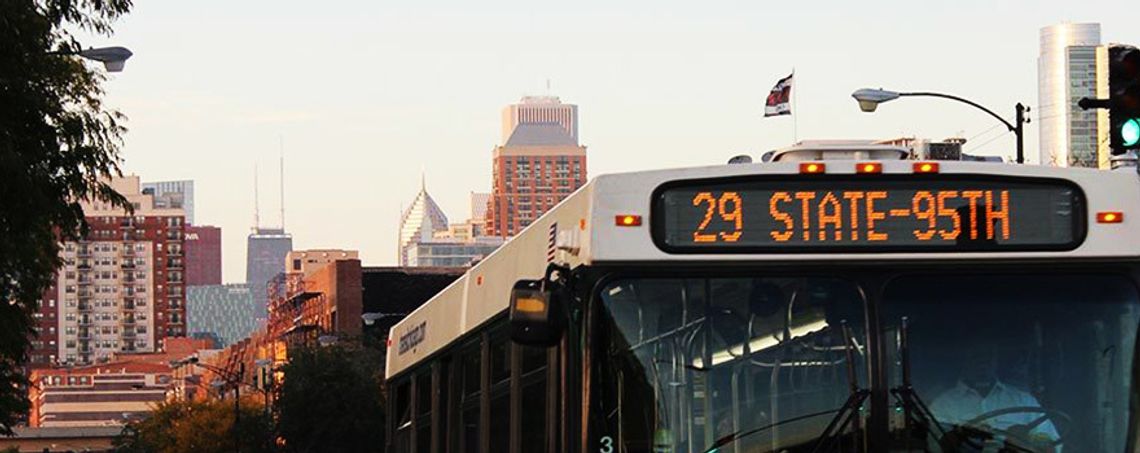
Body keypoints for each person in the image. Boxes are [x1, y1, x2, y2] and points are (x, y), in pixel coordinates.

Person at [930, 344, 1060, 451]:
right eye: (977, 356)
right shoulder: (942, 405)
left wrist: (1021, 438)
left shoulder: (1023, 401)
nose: (983, 361)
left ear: (996, 360)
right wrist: (964, 434)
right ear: (964, 360)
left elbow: (1051, 445)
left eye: (988, 355)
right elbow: (934, 446)